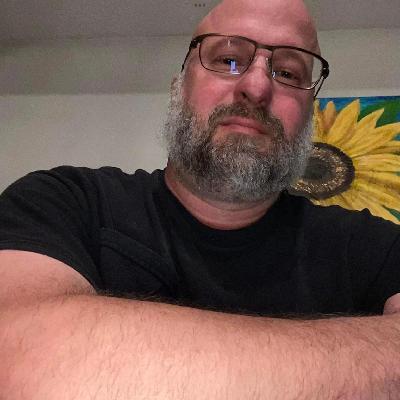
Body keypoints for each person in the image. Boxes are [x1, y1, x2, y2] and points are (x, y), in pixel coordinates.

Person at [1, 0, 399, 398]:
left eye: (287, 72)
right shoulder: (60, 205)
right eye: (228, 59)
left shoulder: (378, 249)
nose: (258, 87)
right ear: (179, 86)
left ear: (309, 112)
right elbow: (19, 359)